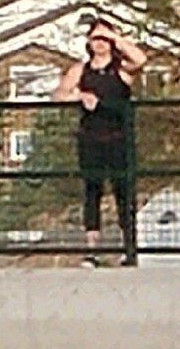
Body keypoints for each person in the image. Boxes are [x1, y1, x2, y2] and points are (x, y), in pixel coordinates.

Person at [54, 20, 147, 262]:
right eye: (96, 38)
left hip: (119, 138)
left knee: (123, 191)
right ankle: (92, 250)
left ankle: (129, 249)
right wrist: (79, 95)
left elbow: (141, 60)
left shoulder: (122, 69)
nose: (100, 43)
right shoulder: (81, 70)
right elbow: (59, 94)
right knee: (92, 191)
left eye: (104, 39)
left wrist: (116, 37)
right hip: (91, 138)